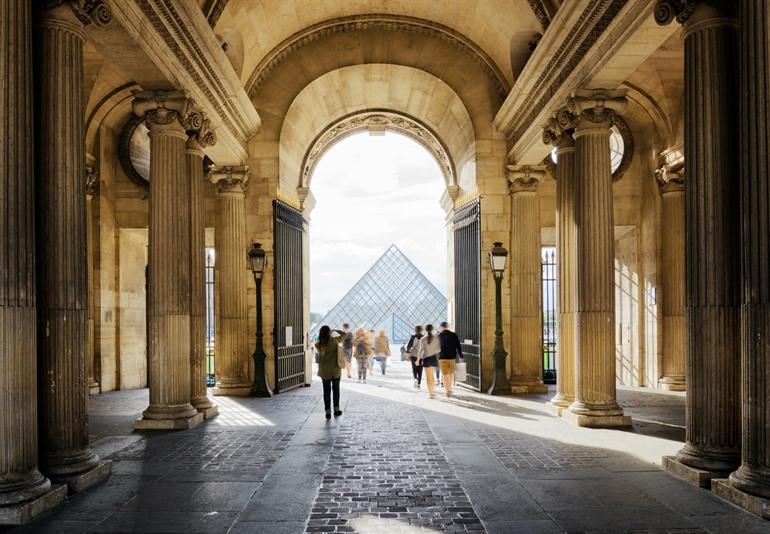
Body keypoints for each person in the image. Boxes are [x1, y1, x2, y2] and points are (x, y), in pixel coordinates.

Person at [314, 325, 345, 419]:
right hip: (335, 371)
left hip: (324, 371)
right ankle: (336, 410)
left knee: (326, 392)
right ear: (329, 332)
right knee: (336, 391)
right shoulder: (334, 341)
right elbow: (344, 334)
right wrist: (335, 330)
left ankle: (327, 412)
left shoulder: (318, 344)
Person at [438, 321, 463, 398]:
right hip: (451, 358)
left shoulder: (438, 336)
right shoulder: (454, 335)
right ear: (447, 327)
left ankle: (447, 391)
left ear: (441, 327)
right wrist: (461, 356)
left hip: (442, 358)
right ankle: (449, 389)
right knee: (450, 374)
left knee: (444, 375)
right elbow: (458, 346)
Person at [417, 324, 441, 399]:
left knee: (428, 377)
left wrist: (418, 360)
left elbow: (420, 351)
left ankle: (431, 394)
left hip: (426, 359)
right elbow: (439, 349)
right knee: (432, 376)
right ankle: (433, 391)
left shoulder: (423, 339)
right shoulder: (436, 338)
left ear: (425, 329)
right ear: (432, 329)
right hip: (433, 358)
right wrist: (433, 351)